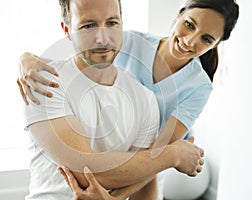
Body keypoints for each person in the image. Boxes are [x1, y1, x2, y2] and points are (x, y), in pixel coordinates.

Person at [19, 0, 239, 199]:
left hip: (145, 171)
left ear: (216, 44)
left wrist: (113, 197)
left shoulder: (195, 87)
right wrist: (26, 58)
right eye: (190, 24)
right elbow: (81, 58)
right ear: (179, 15)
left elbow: (156, 153)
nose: (190, 41)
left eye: (206, 39)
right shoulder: (132, 42)